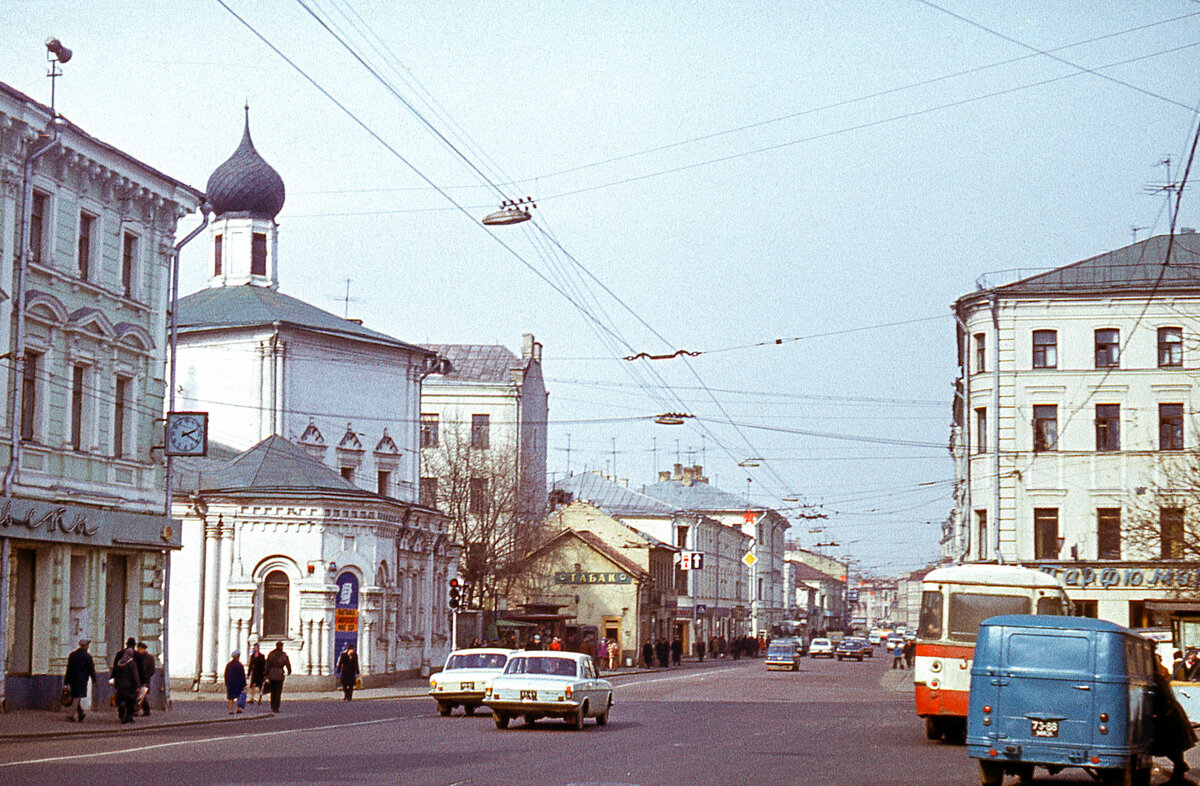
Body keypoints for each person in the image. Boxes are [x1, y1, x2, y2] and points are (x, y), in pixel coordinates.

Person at [1153, 660, 1197, 779]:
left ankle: (1180, 772)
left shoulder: (1155, 677)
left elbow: (1162, 696)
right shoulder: (1158, 676)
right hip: (1171, 713)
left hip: (1168, 715)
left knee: (1170, 745)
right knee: (1174, 746)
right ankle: (1179, 773)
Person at [63, 638, 96, 723]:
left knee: (76, 696)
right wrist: (94, 678)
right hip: (81, 680)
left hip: (72, 679)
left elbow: (68, 668)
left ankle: (81, 713)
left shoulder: (72, 655)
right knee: (77, 697)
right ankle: (70, 715)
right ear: (85, 646)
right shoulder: (87, 656)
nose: (88, 647)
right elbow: (91, 669)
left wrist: (66, 681)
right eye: (87, 645)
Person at [111, 639, 141, 724]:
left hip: (120, 684)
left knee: (121, 699)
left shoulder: (120, 662)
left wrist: (114, 680)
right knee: (131, 701)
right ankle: (129, 716)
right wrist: (138, 685)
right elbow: (135, 675)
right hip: (130, 685)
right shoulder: (132, 663)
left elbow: (115, 671)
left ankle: (121, 715)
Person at [265, 641, 292, 713]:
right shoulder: (284, 655)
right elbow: (288, 664)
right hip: (280, 675)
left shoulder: (271, 654)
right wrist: (289, 671)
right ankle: (276, 707)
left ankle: (272, 706)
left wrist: (266, 674)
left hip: (272, 674)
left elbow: (267, 665)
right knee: (278, 692)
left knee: (273, 691)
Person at [135, 642, 155, 716]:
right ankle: (139, 711)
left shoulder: (149, 658)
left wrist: (146, 677)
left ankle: (144, 710)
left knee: (142, 695)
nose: (139, 650)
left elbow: (152, 670)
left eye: (141, 649)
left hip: (145, 680)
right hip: (137, 679)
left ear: (144, 649)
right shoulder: (136, 656)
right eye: (138, 648)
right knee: (137, 695)